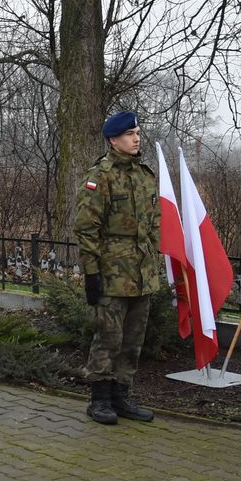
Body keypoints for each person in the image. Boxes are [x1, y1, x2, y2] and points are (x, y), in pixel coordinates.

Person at [74, 110, 161, 425]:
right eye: (130, 134)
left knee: (133, 340)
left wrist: (154, 261)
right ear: (114, 139)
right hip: (111, 271)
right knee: (108, 336)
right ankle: (99, 400)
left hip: (141, 272)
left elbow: (154, 224)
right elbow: (86, 228)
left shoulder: (144, 175)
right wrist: (92, 273)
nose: (137, 138)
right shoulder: (101, 177)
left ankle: (122, 397)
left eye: (137, 132)